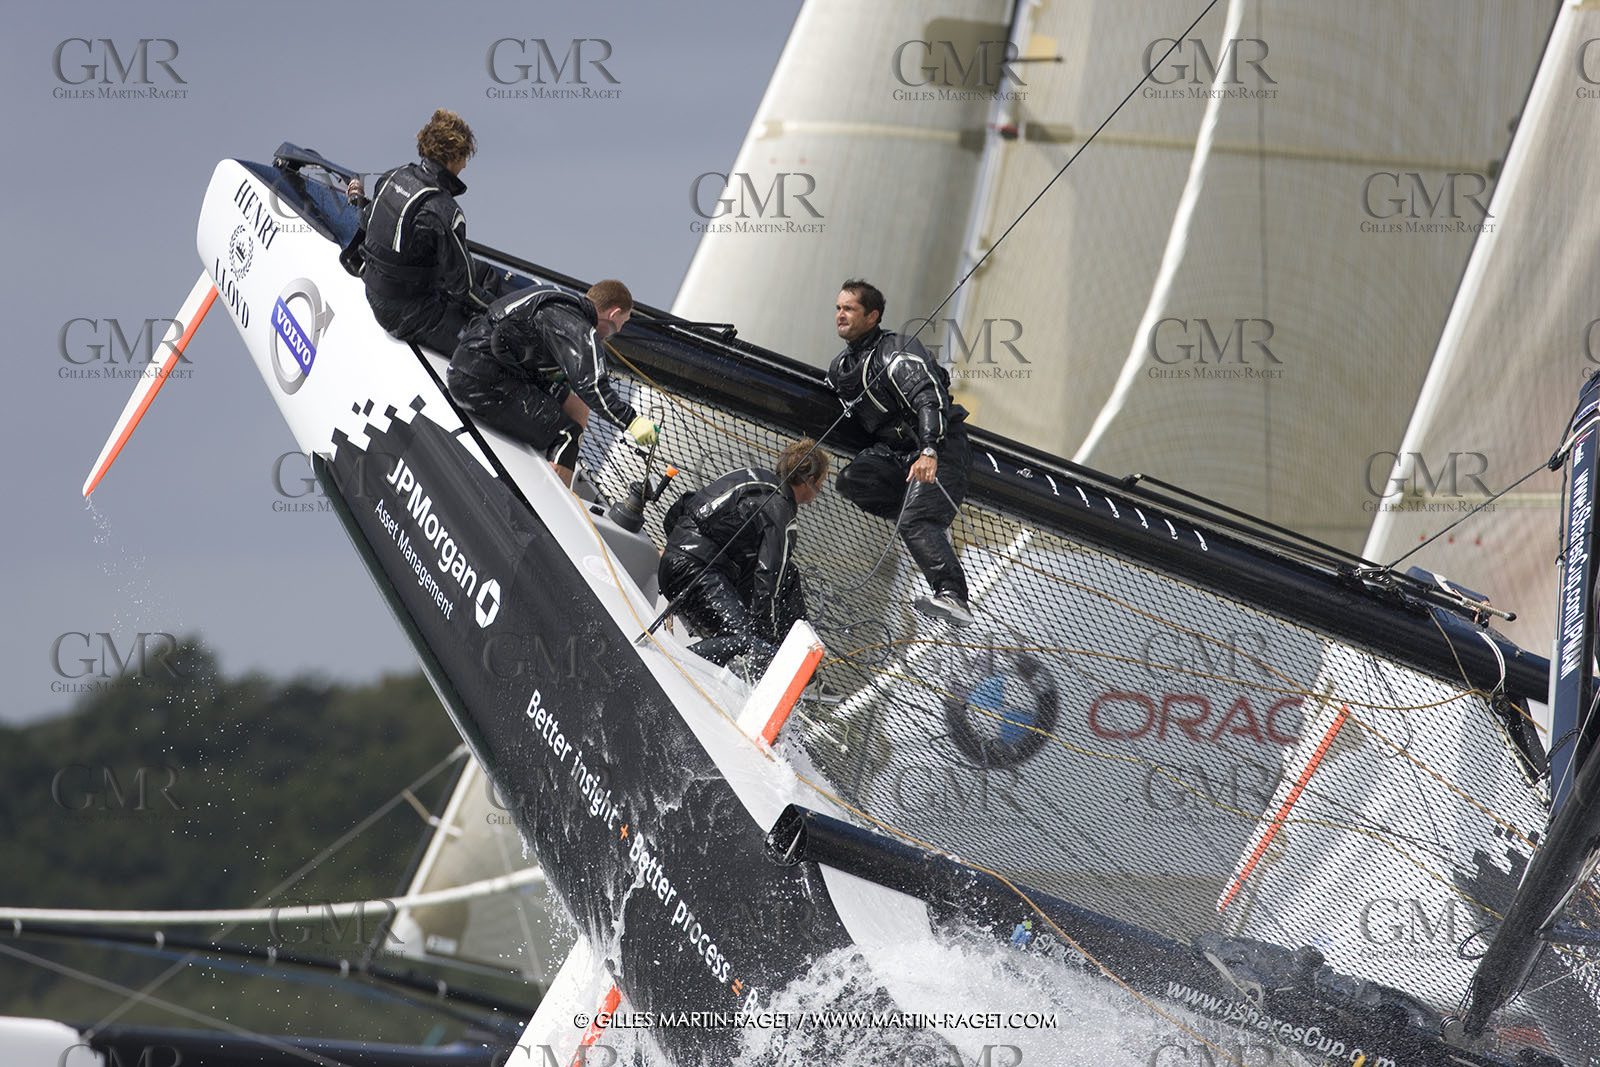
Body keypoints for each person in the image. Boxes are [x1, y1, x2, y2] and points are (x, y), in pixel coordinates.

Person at [825, 279, 974, 626]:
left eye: (849, 309)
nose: (840, 315)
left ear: (873, 315)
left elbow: (928, 396)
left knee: (916, 521)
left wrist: (929, 450)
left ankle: (953, 596)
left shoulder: (895, 351)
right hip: (895, 454)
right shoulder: (840, 370)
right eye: (838, 308)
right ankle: (924, 512)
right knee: (852, 479)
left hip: (941, 446)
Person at [447, 279, 659, 486]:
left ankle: (554, 472)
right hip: (481, 382)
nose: (619, 330)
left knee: (578, 408)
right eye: (623, 321)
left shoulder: (560, 301)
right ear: (613, 313)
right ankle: (552, 513)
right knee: (567, 435)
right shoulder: (577, 325)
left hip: (482, 369)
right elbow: (592, 385)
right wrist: (631, 421)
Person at [658, 440, 829, 670]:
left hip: (678, 561)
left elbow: (683, 505)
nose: (820, 489)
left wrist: (673, 548)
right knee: (746, 640)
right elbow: (767, 580)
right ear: (809, 480)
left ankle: (797, 655)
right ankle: (667, 667)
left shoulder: (751, 477)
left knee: (789, 574)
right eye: (821, 482)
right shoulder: (781, 512)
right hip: (693, 573)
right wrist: (763, 638)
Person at [350, 109, 503, 353]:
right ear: (453, 156)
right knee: (495, 346)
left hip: (376, 291)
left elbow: (367, 223)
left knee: (483, 272)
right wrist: (506, 318)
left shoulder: (393, 176)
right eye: (465, 156)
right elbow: (464, 289)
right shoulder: (443, 210)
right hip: (406, 313)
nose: (465, 164)